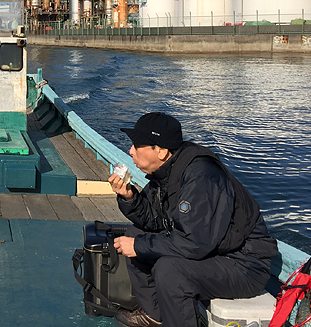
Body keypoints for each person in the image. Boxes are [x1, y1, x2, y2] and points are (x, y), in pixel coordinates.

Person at [107, 112, 278, 327]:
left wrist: (140, 246)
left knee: (169, 271)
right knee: (133, 234)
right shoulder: (167, 173)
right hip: (213, 252)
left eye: (137, 145)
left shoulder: (201, 176)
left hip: (243, 263)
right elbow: (154, 221)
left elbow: (195, 243)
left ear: (159, 150)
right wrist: (129, 197)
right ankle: (156, 316)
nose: (130, 151)